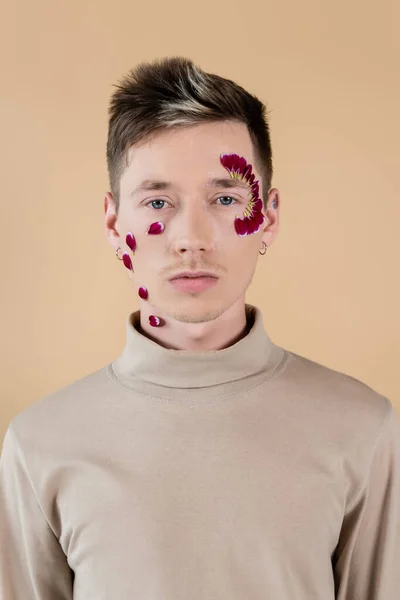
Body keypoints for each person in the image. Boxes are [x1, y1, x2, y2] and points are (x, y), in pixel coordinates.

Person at [0, 56, 399, 600]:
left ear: (269, 217)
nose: (191, 237)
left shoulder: (363, 428)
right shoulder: (38, 443)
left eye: (226, 199)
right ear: (115, 224)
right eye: (159, 201)